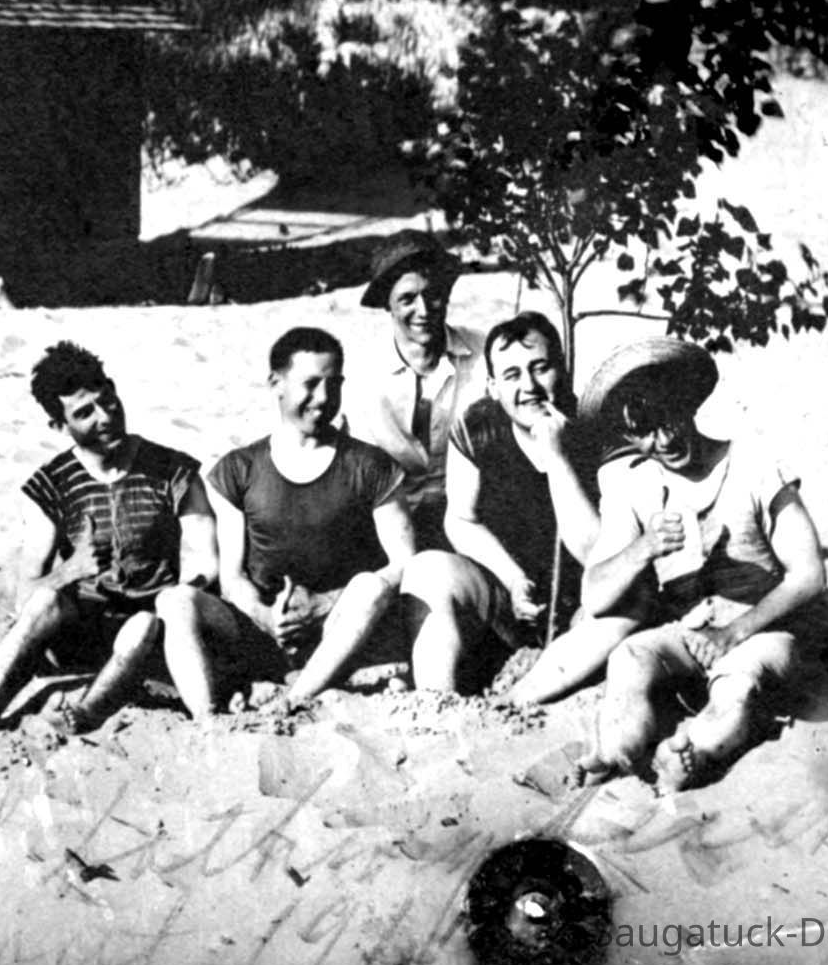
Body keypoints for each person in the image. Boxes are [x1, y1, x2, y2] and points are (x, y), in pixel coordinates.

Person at [567, 338, 828, 791]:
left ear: (687, 401)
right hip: (689, 636)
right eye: (644, 430)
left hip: (764, 631)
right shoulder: (632, 487)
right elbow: (595, 596)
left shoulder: (753, 465)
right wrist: (643, 548)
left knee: (738, 684)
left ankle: (694, 753)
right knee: (630, 657)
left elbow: (809, 575)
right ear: (627, 437)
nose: (665, 439)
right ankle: (617, 751)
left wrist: (735, 631)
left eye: (668, 416)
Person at [0, 342, 215, 737]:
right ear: (59, 426)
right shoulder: (52, 485)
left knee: (143, 624)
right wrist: (71, 570)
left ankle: (84, 716)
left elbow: (205, 561)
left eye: (108, 402)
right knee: (44, 602)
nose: (105, 418)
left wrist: (178, 596)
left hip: (156, 631)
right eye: (84, 413)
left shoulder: (172, 470)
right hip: (82, 635)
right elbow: (25, 597)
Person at [160, 327, 416, 714]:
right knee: (176, 601)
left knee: (370, 586)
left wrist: (324, 604)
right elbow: (232, 576)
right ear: (276, 384)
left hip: (342, 629)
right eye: (310, 384)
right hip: (262, 630)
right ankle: (207, 720)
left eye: (334, 384)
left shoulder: (371, 465)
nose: (323, 398)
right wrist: (265, 617)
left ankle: (294, 699)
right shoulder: (239, 468)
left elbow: (404, 562)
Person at [399, 312, 602, 692]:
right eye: (511, 375)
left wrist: (557, 458)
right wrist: (512, 579)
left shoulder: (592, 427)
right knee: (428, 570)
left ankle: (531, 694)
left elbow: (598, 553)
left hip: (587, 603)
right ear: (492, 386)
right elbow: (461, 519)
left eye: (540, 368)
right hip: (507, 599)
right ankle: (435, 701)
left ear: (562, 369)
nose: (529, 387)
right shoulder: (478, 428)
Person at [339, 232, 485, 549]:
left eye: (433, 295)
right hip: (388, 523)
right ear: (388, 305)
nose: (423, 309)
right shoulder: (361, 374)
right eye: (407, 299)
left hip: (472, 515)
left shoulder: (484, 354)